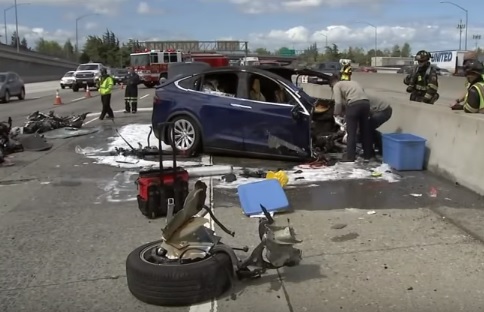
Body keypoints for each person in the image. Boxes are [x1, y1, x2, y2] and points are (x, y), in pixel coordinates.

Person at [330, 74, 373, 162]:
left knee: (351, 133)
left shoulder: (336, 85)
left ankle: (350, 157)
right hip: (366, 104)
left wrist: (336, 113)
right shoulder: (353, 83)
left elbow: (338, 103)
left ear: (332, 83)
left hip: (354, 106)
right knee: (365, 131)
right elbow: (359, 95)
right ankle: (368, 155)